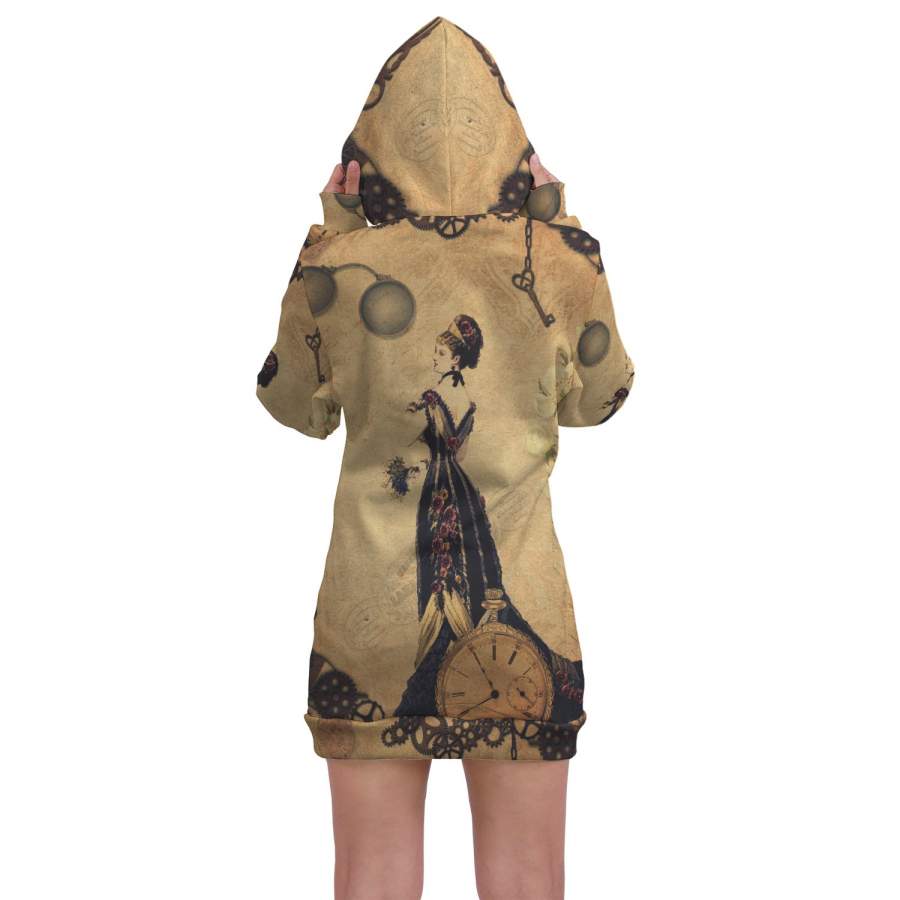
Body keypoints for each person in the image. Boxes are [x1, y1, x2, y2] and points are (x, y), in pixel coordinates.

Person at [256, 17, 634, 900]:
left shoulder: (337, 267)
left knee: (373, 874)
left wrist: (329, 237)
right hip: (525, 617)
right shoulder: (560, 259)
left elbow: (291, 406)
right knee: (527, 876)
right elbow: (603, 398)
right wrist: (559, 223)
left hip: (368, 620)